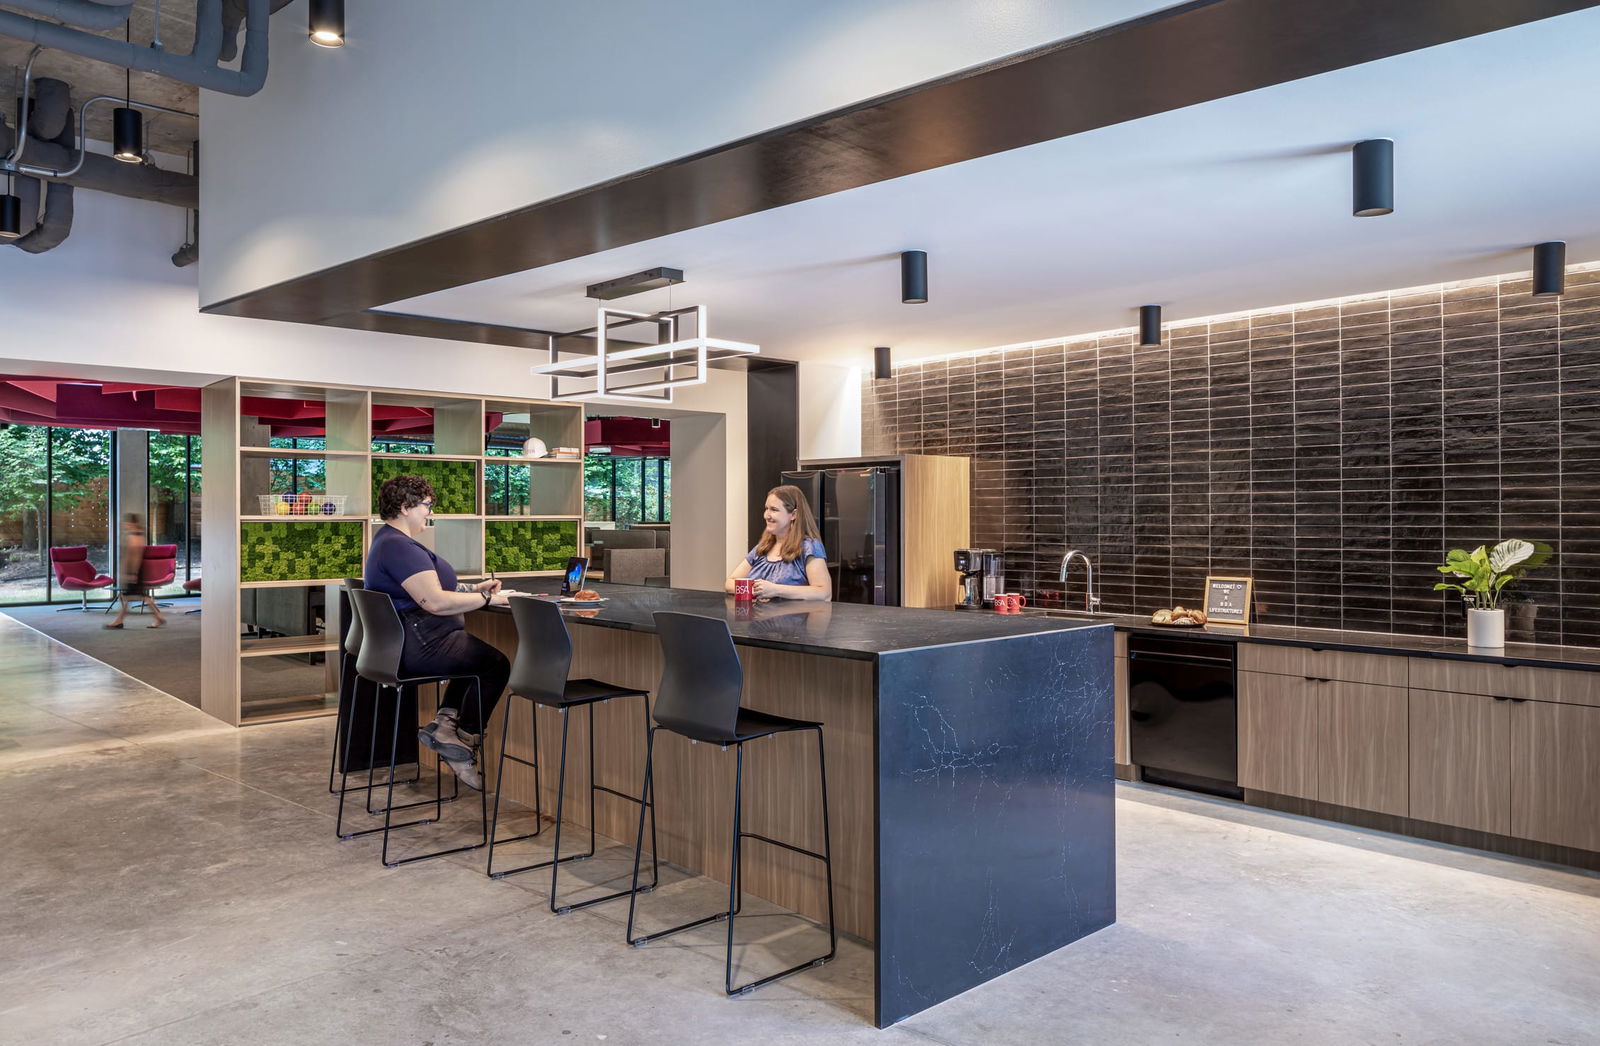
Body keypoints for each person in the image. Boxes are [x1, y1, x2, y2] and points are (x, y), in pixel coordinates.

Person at [364, 475, 510, 790]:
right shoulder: (398, 546)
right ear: (405, 507)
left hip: (409, 642)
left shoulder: (388, 542)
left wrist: (473, 588)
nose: (429, 513)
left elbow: (427, 589)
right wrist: (487, 598)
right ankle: (464, 741)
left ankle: (445, 726)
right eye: (427, 506)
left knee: (472, 659)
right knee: (496, 664)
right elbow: (434, 601)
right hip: (422, 644)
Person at [725, 485, 832, 601]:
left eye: (774, 509)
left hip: (795, 619)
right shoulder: (762, 548)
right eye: (766, 509)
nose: (766, 515)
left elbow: (824, 593)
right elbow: (730, 583)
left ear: (794, 515)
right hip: (758, 618)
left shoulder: (809, 547)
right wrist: (755, 591)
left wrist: (775, 590)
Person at [105, 513, 166, 629]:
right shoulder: (139, 535)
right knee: (132, 596)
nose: (124, 525)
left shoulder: (133, 538)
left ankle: (119, 621)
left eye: (126, 523)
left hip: (134, 570)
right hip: (136, 570)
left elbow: (135, 557)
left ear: (132, 523)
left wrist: (132, 573)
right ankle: (158, 617)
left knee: (133, 596)